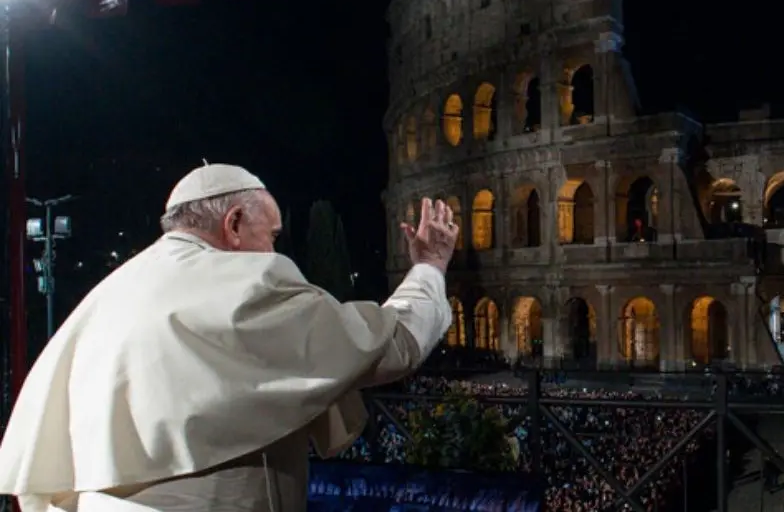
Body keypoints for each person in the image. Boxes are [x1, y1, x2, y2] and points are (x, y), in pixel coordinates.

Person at [0, 164, 459, 511]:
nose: (274, 250)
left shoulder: (114, 290)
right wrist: (430, 267)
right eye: (272, 235)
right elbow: (386, 345)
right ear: (234, 224)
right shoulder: (249, 284)